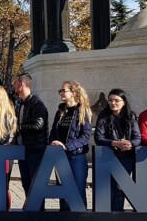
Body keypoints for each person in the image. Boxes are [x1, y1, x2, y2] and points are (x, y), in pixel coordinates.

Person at [94, 88, 141, 212]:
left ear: (124, 101)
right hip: (108, 156)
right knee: (107, 187)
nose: (112, 103)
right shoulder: (103, 116)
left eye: (116, 100)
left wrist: (129, 144)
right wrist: (115, 143)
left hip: (126, 157)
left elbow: (138, 138)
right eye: (110, 100)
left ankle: (117, 214)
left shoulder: (131, 116)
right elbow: (98, 138)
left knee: (120, 188)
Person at [49, 81, 92, 210]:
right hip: (60, 157)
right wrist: (52, 143)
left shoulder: (83, 111)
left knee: (77, 195)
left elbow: (85, 136)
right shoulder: (60, 111)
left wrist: (67, 146)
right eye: (60, 91)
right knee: (63, 194)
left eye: (64, 90)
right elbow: (53, 131)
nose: (61, 93)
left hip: (76, 158)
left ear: (73, 93)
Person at [12, 72, 49, 201]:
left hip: (35, 150)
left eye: (15, 83)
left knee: (36, 186)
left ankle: (39, 213)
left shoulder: (37, 103)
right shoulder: (20, 103)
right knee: (26, 184)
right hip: (23, 149)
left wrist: (19, 127)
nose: (13, 85)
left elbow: (38, 125)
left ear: (22, 85)